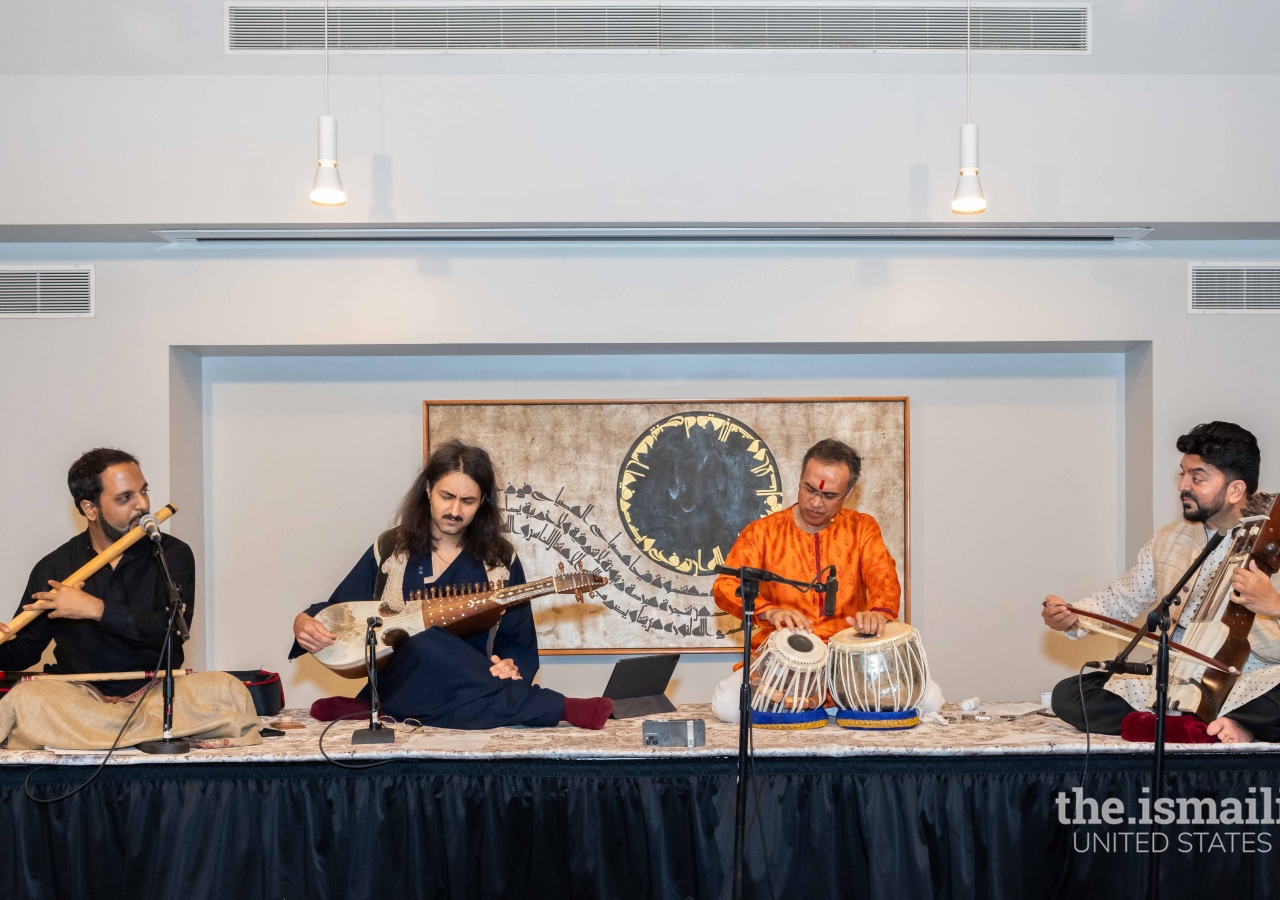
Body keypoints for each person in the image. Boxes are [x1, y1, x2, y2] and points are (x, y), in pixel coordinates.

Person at [292, 440, 612, 729]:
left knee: (451, 674)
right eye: (447, 496)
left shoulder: (499, 559)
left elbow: (516, 639)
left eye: (468, 501)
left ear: (483, 501)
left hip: (470, 688)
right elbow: (340, 611)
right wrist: (304, 622)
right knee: (420, 638)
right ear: (429, 489)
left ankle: (375, 707)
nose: (455, 511)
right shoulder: (391, 548)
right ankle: (560, 707)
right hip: (405, 679)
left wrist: (509, 665)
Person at [1044, 421, 1280, 744]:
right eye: (1183, 475)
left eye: (1197, 478)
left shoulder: (1273, 536)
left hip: (1250, 682)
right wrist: (1074, 614)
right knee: (1070, 693)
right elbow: (1122, 599)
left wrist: (1273, 604)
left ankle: (1231, 724)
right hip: (1175, 679)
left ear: (1235, 489)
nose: (1183, 486)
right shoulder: (1169, 540)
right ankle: (1194, 725)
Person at [0, 448, 195, 696]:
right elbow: (24, 652)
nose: (143, 505)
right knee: (24, 699)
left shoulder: (172, 553)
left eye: (143, 491)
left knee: (225, 690)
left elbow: (174, 633)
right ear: (90, 509)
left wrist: (96, 609)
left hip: (152, 693)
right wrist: (4, 646)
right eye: (125, 498)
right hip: (77, 696)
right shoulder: (54, 567)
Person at [712, 438, 902, 648]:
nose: (816, 502)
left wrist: (877, 613)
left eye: (829, 495)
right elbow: (726, 586)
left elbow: (883, 578)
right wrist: (770, 612)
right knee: (735, 683)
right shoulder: (763, 532)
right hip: (780, 652)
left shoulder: (861, 528)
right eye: (810, 489)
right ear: (800, 478)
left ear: (848, 494)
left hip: (848, 651)